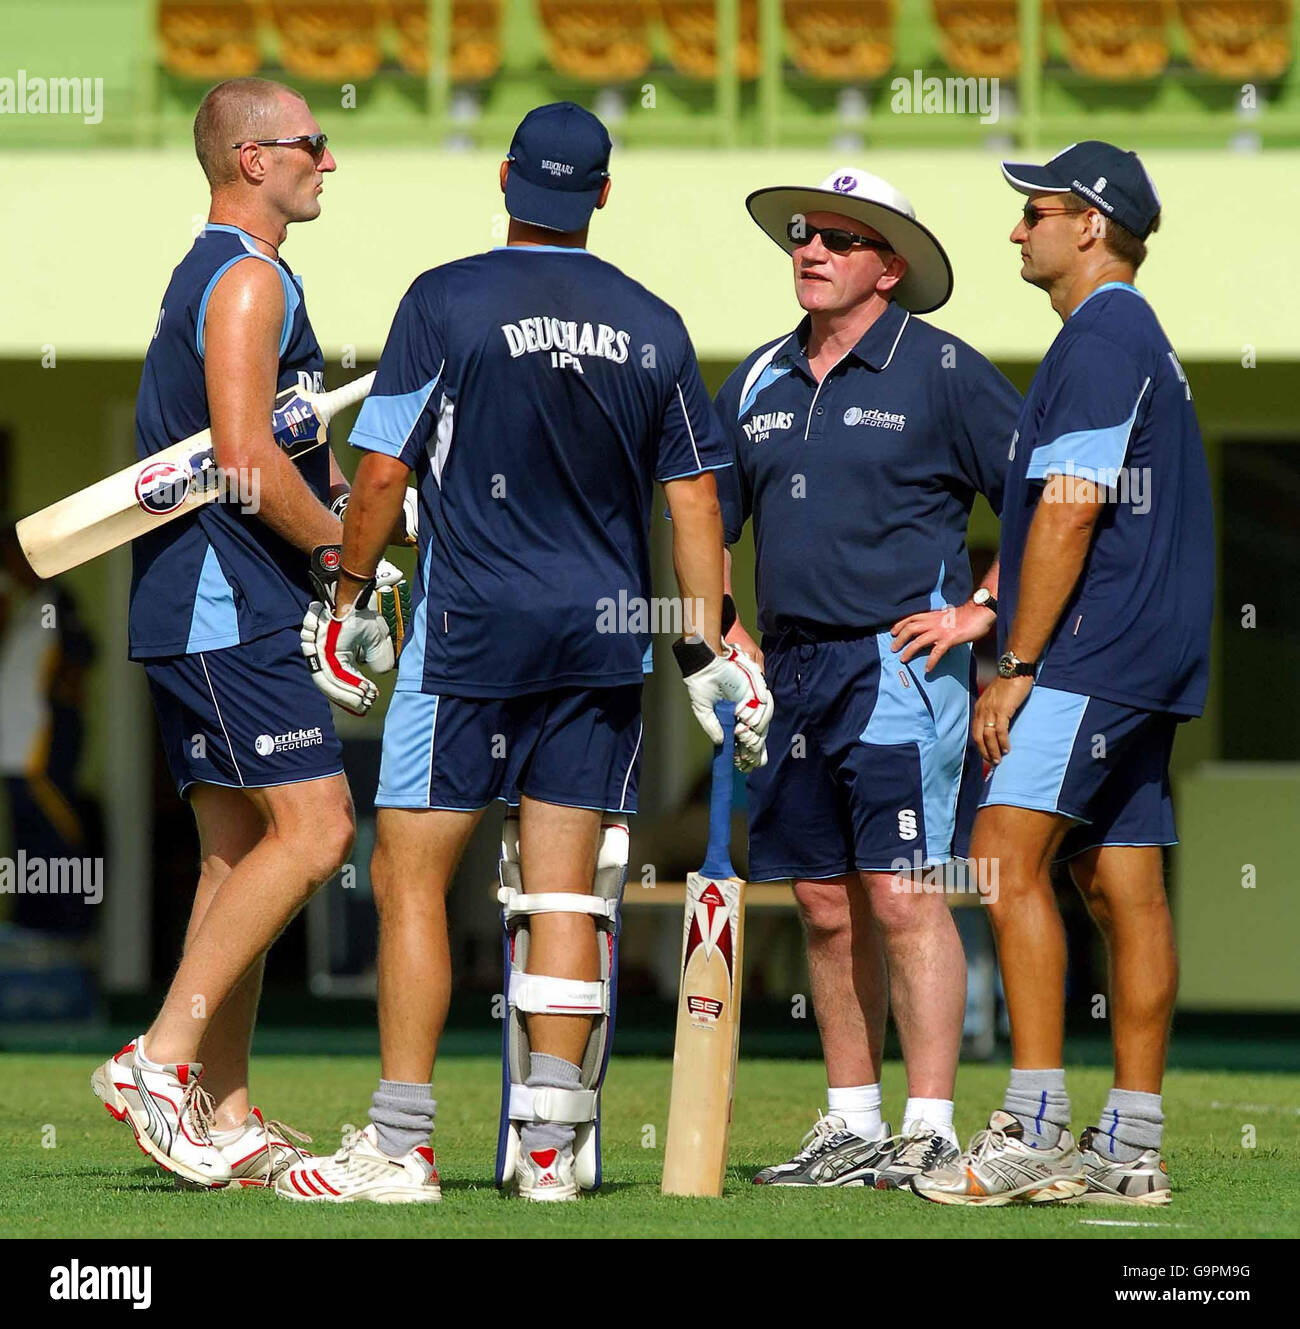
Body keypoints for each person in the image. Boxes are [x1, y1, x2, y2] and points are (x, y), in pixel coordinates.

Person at [285, 102, 772, 1205]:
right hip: (602, 649)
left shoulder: (443, 298)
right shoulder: (653, 325)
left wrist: (350, 595)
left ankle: (403, 1144)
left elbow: (378, 478)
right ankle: (549, 1152)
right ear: (602, 193)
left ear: (506, 179)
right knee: (565, 899)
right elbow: (694, 499)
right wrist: (702, 645)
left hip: (467, 641)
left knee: (411, 878)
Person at [91, 78, 410, 1189]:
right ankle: (159, 1060)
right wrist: (343, 561)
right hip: (220, 603)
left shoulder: (248, 274)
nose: (330, 162)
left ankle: (220, 1112)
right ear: (251, 161)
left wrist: (346, 523)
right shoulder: (244, 279)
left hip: (218, 601)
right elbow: (241, 456)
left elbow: (278, 441)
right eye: (312, 145)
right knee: (319, 832)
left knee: (239, 855)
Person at [913, 142, 1213, 1207]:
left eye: (1034, 211)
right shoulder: (1130, 337)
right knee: (1116, 881)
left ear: (1090, 226)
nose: (1015, 229)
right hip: (1149, 651)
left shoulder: (1100, 335)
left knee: (998, 853)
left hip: (1098, 649)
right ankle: (1130, 1146)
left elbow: (1073, 508)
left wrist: (1020, 663)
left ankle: (1034, 1126)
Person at [717, 168, 1020, 1187]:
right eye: (804, 233)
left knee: (898, 895)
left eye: (841, 240)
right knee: (820, 901)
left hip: (898, 666)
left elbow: (1050, 499)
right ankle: (849, 1126)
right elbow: (699, 518)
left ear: (888, 268)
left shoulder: (942, 370)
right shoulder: (754, 378)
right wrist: (714, 625)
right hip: (790, 671)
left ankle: (927, 1126)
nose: (812, 250)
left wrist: (982, 613)